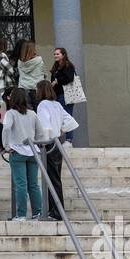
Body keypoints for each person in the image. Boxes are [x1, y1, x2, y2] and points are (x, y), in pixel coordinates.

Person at [34, 79, 79, 220]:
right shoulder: (57, 104)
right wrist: (60, 131)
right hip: (58, 143)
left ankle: (56, 211)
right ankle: (56, 210)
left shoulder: (42, 105)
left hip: (48, 143)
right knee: (56, 178)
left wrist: (43, 142)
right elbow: (71, 121)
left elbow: (44, 125)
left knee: (50, 179)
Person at [1, 87, 47, 221]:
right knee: (33, 184)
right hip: (33, 151)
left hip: (17, 151)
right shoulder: (32, 113)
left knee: (21, 184)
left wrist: (6, 146)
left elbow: (6, 128)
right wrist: (37, 144)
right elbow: (40, 133)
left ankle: (21, 214)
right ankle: (37, 213)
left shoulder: (11, 113)